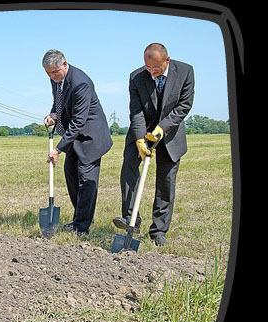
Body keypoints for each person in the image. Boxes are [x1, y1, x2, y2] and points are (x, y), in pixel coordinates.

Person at [114, 43, 195, 246]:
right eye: (148, 68)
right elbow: (136, 110)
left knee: (165, 181)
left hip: (170, 131)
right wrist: (141, 138)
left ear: (166, 61)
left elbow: (184, 105)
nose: (151, 72)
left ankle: (158, 230)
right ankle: (131, 219)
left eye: (156, 69)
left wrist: (162, 128)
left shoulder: (185, 72)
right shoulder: (136, 76)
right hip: (142, 128)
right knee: (129, 170)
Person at [43, 49, 113, 236]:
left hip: (91, 136)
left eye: (55, 72)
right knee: (71, 174)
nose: (52, 76)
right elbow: (59, 103)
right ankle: (80, 217)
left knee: (86, 180)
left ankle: (82, 226)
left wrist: (58, 149)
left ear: (64, 64)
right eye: (48, 73)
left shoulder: (81, 83)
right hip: (74, 136)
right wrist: (53, 115)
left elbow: (78, 121)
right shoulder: (56, 79)